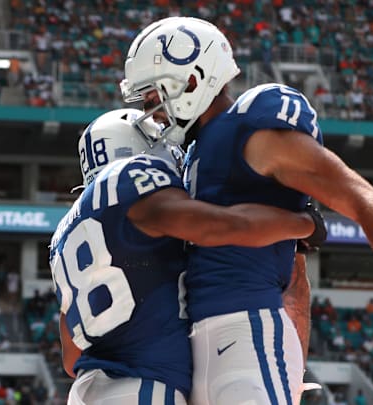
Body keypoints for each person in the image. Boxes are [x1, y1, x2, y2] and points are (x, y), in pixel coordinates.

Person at [121, 16, 373, 404]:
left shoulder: (252, 129)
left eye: (154, 95)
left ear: (191, 81)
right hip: (204, 342)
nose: (151, 110)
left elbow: (358, 195)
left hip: (249, 330)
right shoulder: (196, 153)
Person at [49, 108, 326, 404]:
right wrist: (300, 224)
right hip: (145, 388)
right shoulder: (132, 182)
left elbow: (71, 357)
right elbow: (219, 227)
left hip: (87, 390)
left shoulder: (63, 234)